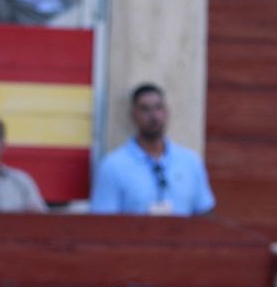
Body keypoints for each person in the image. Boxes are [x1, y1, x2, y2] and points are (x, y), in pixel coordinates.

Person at [90, 84, 216, 217]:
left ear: (166, 112)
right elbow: (103, 223)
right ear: (134, 115)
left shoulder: (190, 162)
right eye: (145, 109)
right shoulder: (113, 166)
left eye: (158, 108)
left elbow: (205, 214)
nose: (153, 116)